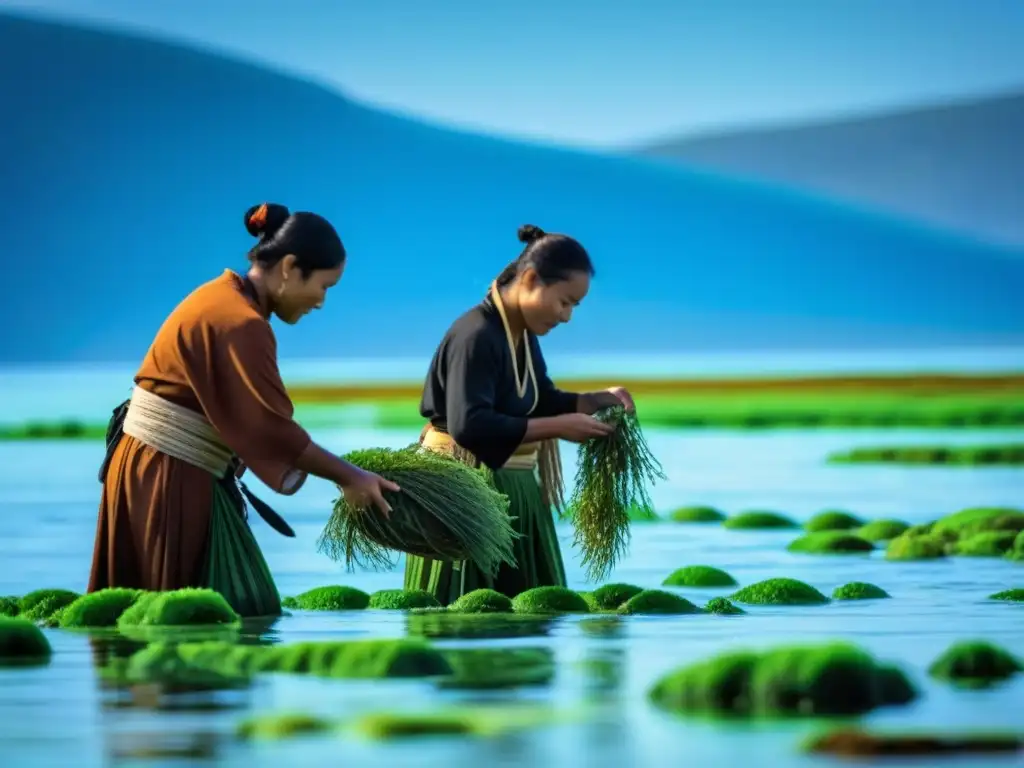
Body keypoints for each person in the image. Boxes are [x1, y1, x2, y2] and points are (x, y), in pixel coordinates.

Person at [89, 202, 399, 618]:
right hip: (169, 471)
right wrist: (350, 476)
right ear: (289, 267)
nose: (322, 302)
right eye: (324, 286)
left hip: (155, 464)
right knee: (177, 622)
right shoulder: (241, 321)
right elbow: (270, 429)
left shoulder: (223, 298)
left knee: (153, 616)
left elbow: (236, 413)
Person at [405, 223, 636, 604]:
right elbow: (469, 426)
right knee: (466, 612)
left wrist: (597, 400)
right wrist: (559, 427)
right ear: (530, 279)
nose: (567, 317)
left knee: (530, 617)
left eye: (574, 306)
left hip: (516, 485)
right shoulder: (475, 334)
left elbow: (540, 399)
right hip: (466, 489)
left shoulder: (520, 333)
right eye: (565, 302)